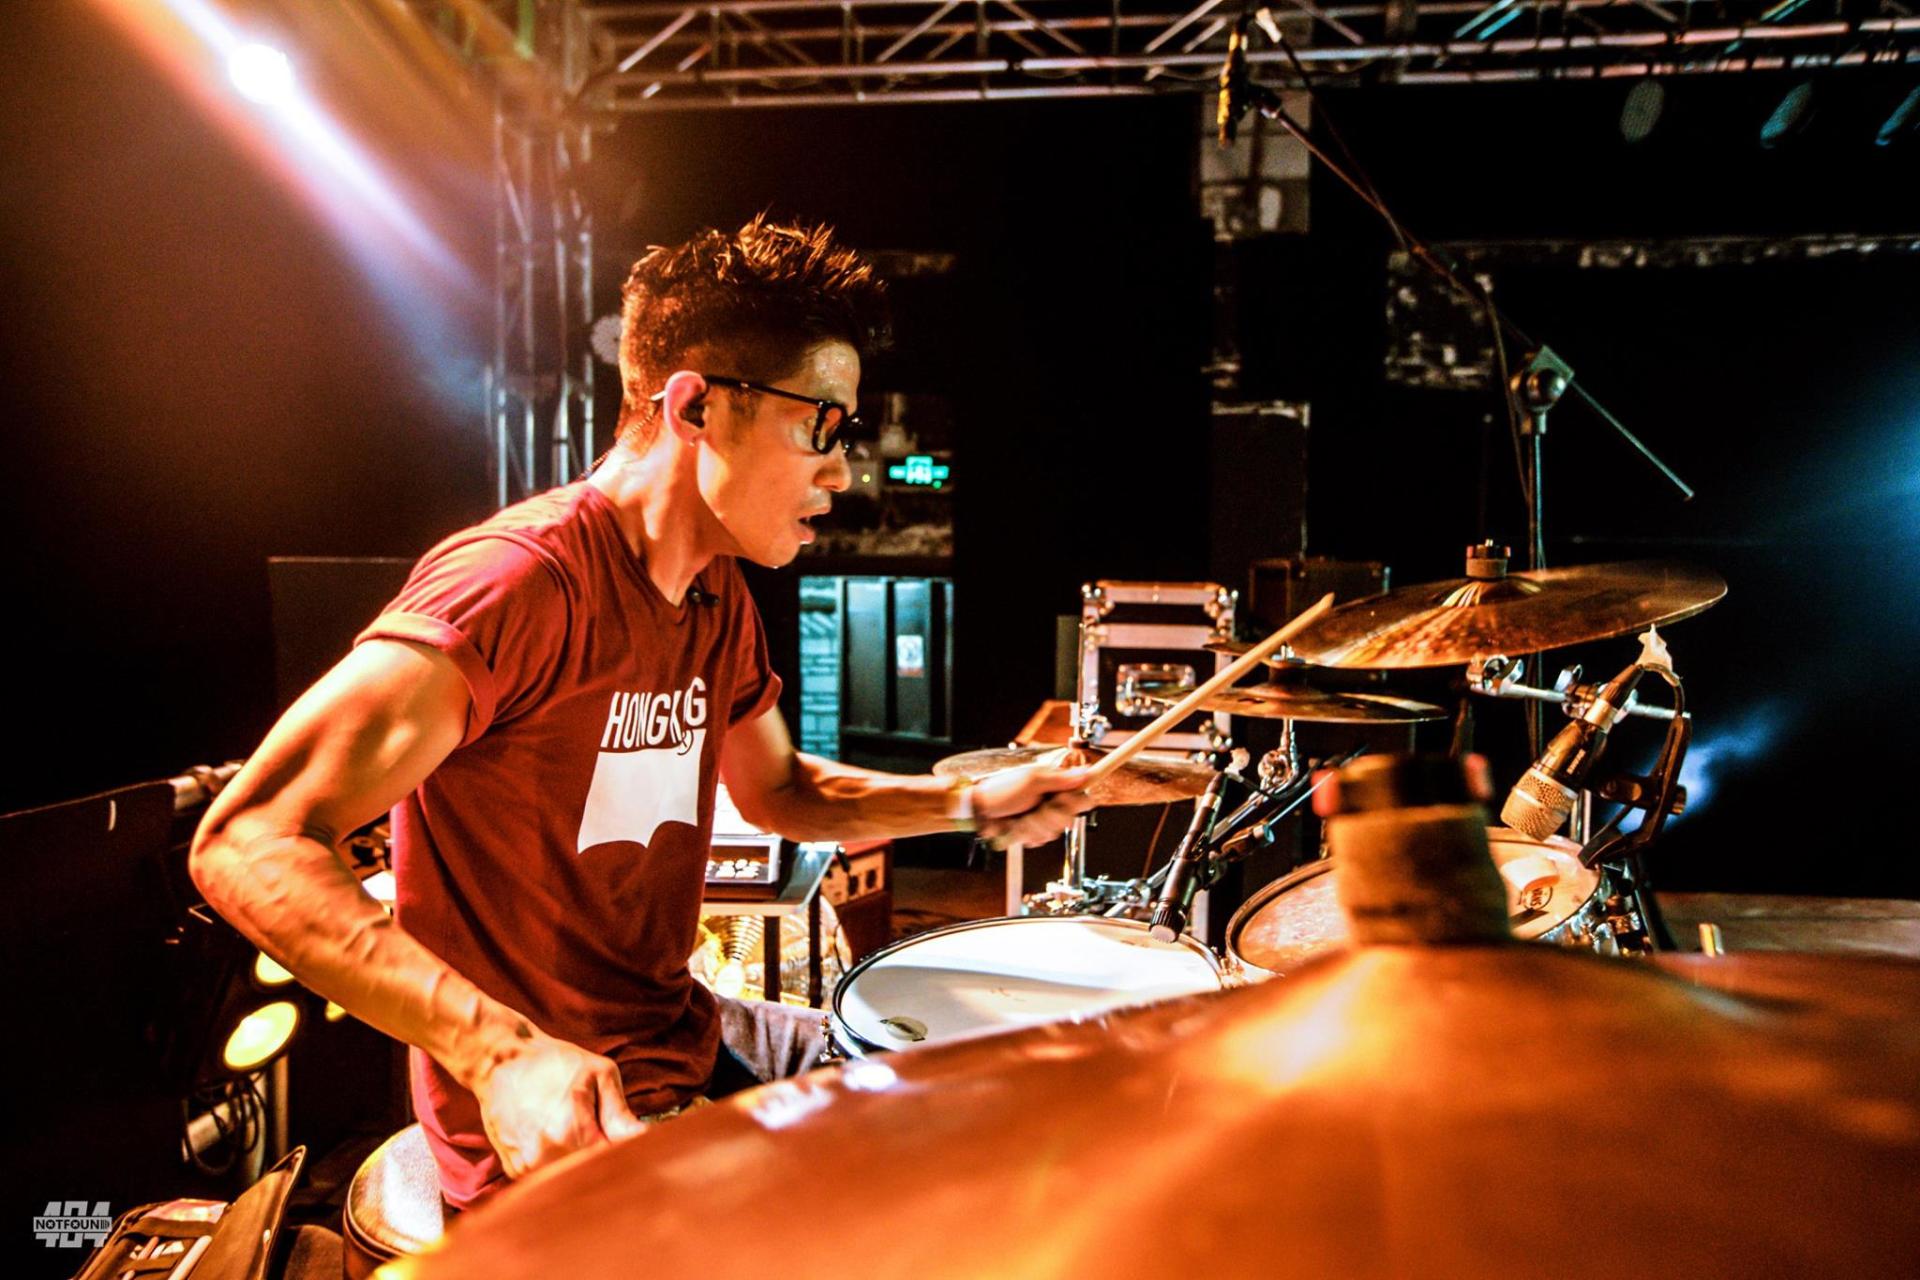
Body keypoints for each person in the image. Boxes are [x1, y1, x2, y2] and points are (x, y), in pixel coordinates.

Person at [190, 216, 1093, 1211]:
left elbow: (785, 790)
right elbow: (249, 840)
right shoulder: (515, 585)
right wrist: (501, 1054)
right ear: (698, 403)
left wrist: (974, 803)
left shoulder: (716, 594)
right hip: (560, 1127)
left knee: (1026, 1090)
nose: (841, 471)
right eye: (821, 426)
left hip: (684, 1041)